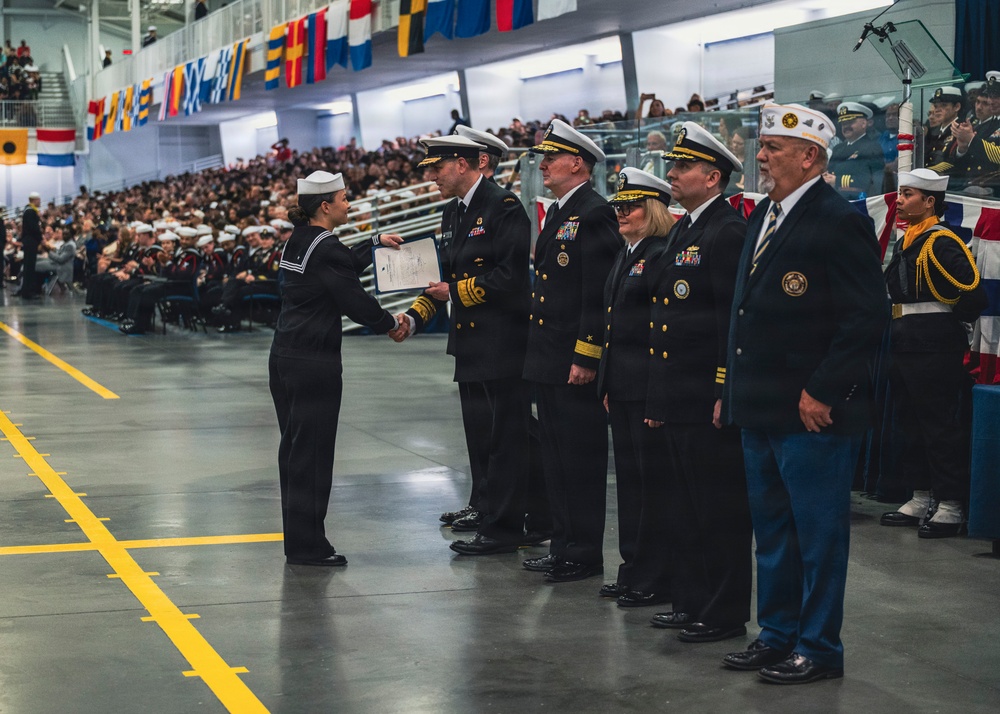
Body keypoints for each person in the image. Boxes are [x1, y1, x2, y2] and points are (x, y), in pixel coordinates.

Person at [721, 103, 888, 684]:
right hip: (762, 405)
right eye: (763, 146)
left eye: (772, 148)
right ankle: (777, 634)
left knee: (817, 538)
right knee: (772, 532)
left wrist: (822, 389)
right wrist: (732, 389)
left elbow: (866, 317)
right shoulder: (765, 214)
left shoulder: (838, 219)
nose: (761, 156)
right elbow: (743, 314)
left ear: (809, 156)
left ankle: (818, 648)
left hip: (811, 412)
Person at [395, 135, 534, 556]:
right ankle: (485, 505)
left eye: (437, 167)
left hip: (501, 340)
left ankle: (506, 527)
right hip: (470, 342)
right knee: (479, 434)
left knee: (506, 436)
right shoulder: (452, 213)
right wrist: (414, 318)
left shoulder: (503, 207)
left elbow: (511, 279)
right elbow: (442, 280)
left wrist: (454, 291)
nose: (431, 176)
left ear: (465, 163)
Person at [645, 122, 752, 642]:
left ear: (713, 177)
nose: (672, 173)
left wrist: (721, 389)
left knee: (717, 509)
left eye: (683, 167)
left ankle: (724, 610)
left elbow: (728, 321)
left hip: (704, 395)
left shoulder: (727, 231)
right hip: (676, 392)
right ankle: (691, 599)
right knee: (684, 506)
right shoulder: (688, 228)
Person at [269, 170, 405, 566]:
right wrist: (390, 324)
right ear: (326, 206)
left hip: (286, 357)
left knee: (295, 452)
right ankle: (307, 547)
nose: (350, 204)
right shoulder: (324, 247)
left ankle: (304, 539)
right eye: (345, 199)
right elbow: (353, 300)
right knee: (312, 455)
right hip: (314, 362)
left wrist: (374, 242)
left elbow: (340, 264)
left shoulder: (301, 239)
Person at [521, 119, 622, 583]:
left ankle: (582, 552)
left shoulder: (595, 212)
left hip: (572, 360)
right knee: (555, 458)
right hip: (549, 355)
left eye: (551, 157)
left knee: (579, 460)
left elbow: (595, 293)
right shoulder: (563, 211)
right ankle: (563, 545)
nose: (543, 165)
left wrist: (586, 355)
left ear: (576, 162)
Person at [880, 169, 987, 537]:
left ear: (929, 202)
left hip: (933, 342)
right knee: (909, 423)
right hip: (905, 339)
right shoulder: (911, 238)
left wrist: (946, 324)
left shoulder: (941, 241)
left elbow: (973, 293)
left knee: (938, 426)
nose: (900, 201)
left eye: (908, 194)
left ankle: (951, 504)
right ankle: (922, 495)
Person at [595, 167, 673, 606]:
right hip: (622, 386)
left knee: (651, 486)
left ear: (654, 210)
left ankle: (654, 574)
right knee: (629, 483)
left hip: (645, 388)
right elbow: (613, 325)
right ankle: (632, 568)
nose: (621, 213)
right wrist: (607, 382)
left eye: (631, 206)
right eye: (619, 206)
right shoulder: (630, 252)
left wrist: (654, 393)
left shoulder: (660, 253)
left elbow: (659, 332)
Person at [824, 102, 884, 199]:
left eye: (850, 122)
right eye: (843, 123)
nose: (845, 127)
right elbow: (830, 171)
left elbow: (870, 181)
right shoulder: (838, 148)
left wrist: (837, 181)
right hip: (836, 199)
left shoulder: (872, 148)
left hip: (858, 201)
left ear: (864, 123)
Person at [16, 191, 42, 299]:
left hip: (28, 242)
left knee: (28, 266)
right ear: (34, 200)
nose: (40, 202)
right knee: (29, 267)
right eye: (39, 200)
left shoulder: (28, 211)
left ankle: (25, 290)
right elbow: (34, 228)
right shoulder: (31, 212)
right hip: (31, 242)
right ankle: (28, 292)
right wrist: (40, 238)